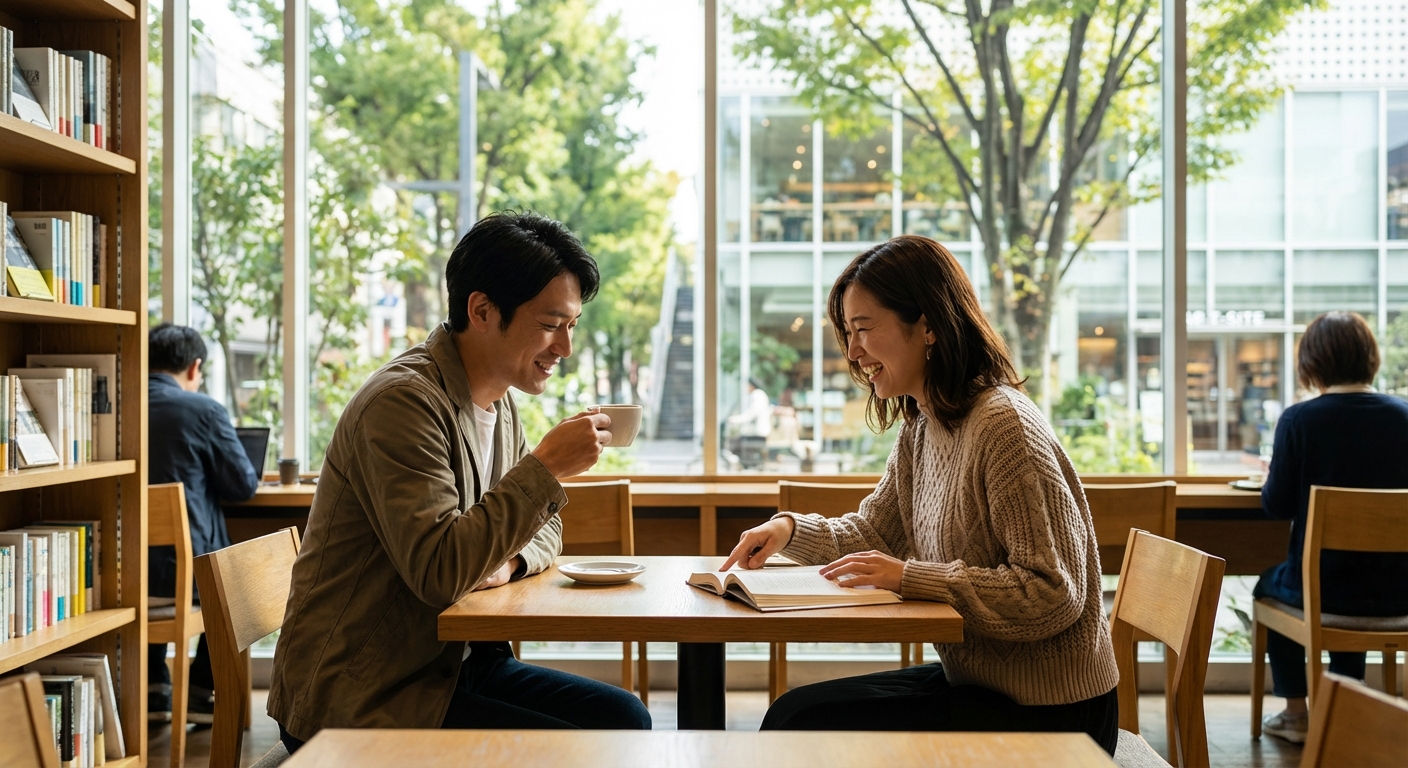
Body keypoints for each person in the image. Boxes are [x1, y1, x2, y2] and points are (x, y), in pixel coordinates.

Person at [268, 212, 650, 752]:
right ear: (482, 310)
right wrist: (545, 469)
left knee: (623, 718)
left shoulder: (501, 401)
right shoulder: (401, 404)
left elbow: (547, 528)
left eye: (571, 326)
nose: (564, 348)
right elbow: (442, 572)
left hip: (452, 667)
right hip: (366, 693)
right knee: (587, 749)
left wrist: (505, 563)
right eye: (549, 324)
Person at [721, 235, 1119, 754]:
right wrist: (789, 530)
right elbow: (874, 533)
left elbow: (1051, 592)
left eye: (863, 329)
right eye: (847, 333)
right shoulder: (923, 425)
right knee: (793, 713)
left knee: (802, 726)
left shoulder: (1004, 426)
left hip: (1053, 712)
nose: (853, 351)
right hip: (982, 687)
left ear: (928, 324)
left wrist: (911, 577)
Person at [1255, 311, 1408, 743]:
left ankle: (1296, 714)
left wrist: (1275, 473)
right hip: (1400, 590)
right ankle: (1349, 704)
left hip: (1326, 588)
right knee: (1351, 575)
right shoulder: (1405, 416)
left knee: (1273, 584)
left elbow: (1277, 505)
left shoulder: (1300, 421)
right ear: (1371, 358)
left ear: (1312, 363)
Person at [147, 323, 260, 724]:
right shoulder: (203, 410)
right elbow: (243, 485)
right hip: (185, 575)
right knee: (240, 582)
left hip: (118, 574)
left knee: (155, 564)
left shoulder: (119, 406)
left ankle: (153, 689)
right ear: (194, 368)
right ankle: (200, 690)